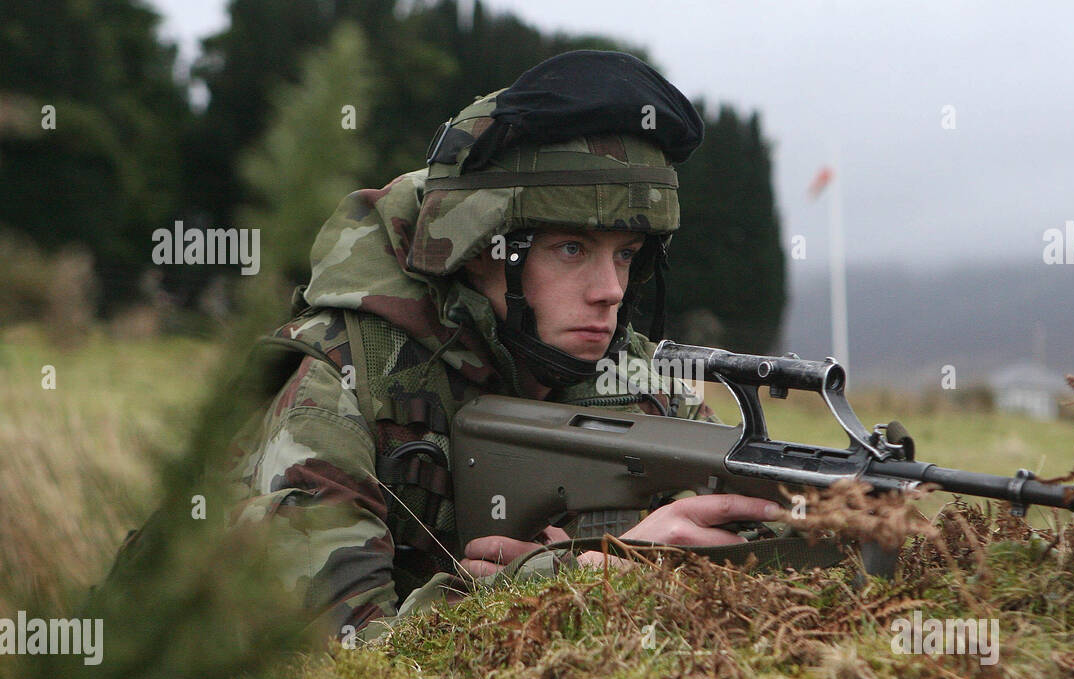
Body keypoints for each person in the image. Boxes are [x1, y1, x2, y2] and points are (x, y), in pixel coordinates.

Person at [225, 51, 783, 642]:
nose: (610, 290)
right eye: (572, 249)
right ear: (480, 246)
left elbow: (748, 532)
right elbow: (345, 657)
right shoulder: (341, 377)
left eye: (625, 253)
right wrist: (564, 579)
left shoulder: (628, 379)